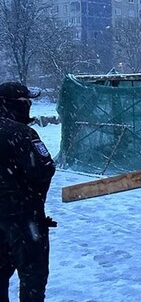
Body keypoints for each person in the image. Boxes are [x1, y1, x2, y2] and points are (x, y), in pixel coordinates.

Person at [0, 82, 56, 302]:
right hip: (24, 218)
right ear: (14, 105)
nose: (29, 107)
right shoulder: (22, 133)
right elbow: (44, 169)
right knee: (32, 276)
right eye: (26, 102)